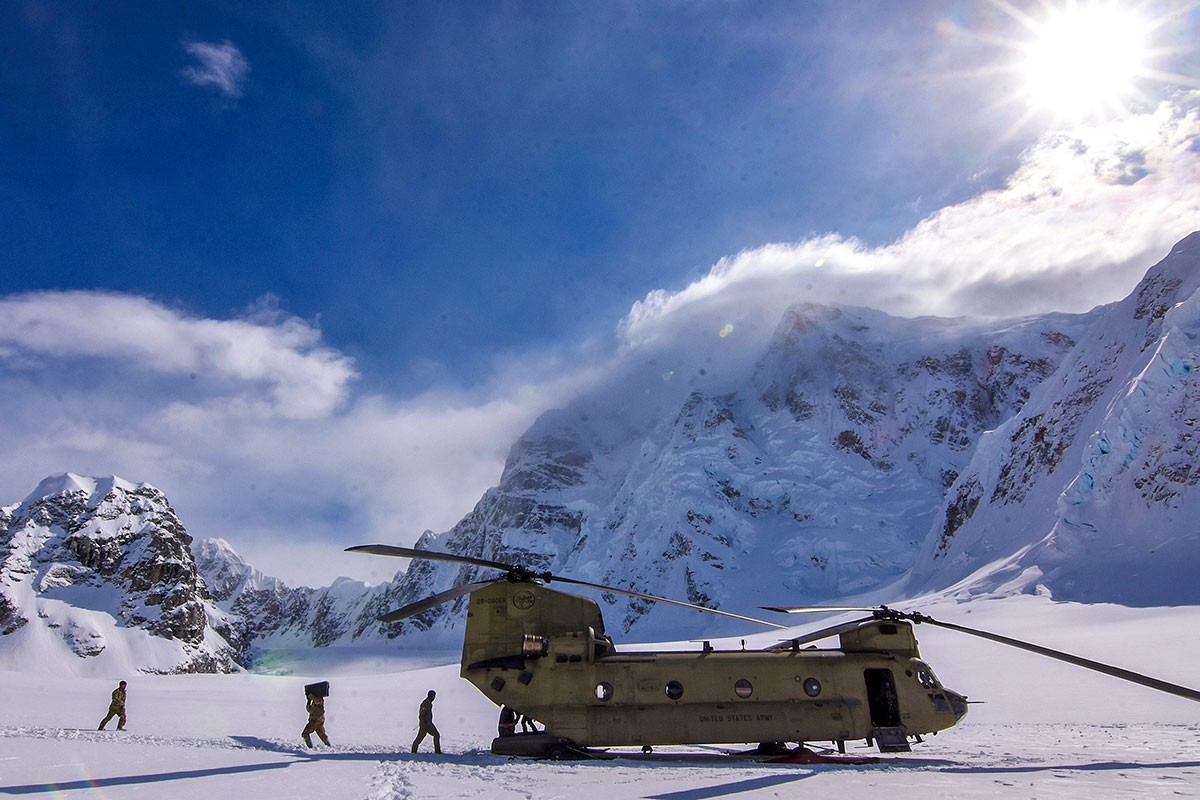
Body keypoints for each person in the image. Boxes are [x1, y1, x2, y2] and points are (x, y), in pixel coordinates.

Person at [411, 689, 441, 754]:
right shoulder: (426, 703)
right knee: (436, 735)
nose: (434, 697)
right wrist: (423, 722)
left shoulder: (428, 703)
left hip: (427, 723)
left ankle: (413, 752)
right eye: (433, 696)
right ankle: (437, 752)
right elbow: (422, 713)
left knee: (419, 738)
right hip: (426, 724)